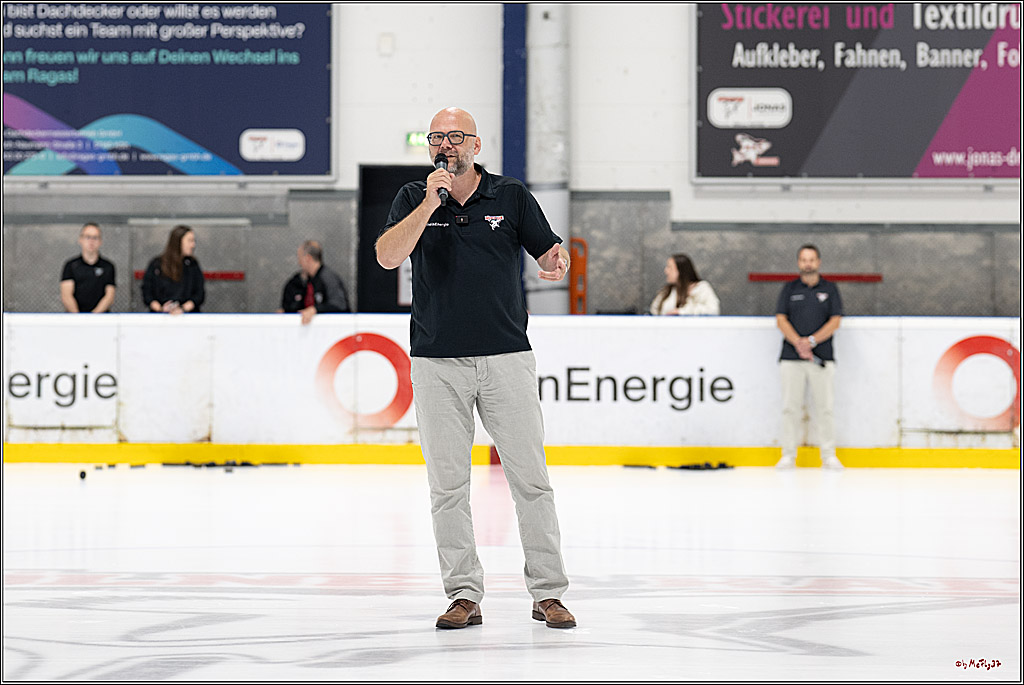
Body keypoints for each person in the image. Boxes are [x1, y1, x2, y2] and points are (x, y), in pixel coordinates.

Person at [376, 107, 575, 631]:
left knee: (530, 479)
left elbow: (549, 251)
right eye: (437, 136)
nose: (446, 143)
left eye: (456, 136)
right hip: (437, 361)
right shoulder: (411, 197)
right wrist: (427, 203)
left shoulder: (509, 196)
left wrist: (556, 260)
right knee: (447, 485)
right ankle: (463, 593)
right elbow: (387, 257)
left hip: (506, 357)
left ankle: (548, 593)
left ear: (476, 144)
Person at [775, 244, 844, 469]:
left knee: (825, 407)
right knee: (790, 407)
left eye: (812, 259)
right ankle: (788, 454)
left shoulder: (830, 289)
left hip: (821, 358)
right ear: (798, 263)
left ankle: (828, 455)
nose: (808, 264)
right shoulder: (789, 289)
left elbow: (835, 321)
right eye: (804, 260)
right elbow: (781, 319)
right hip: (791, 358)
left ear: (818, 262)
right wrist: (798, 343)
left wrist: (812, 341)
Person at [278, 240, 351, 324]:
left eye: (300, 258)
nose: (299, 263)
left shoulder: (327, 278)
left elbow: (340, 305)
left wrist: (315, 309)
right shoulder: (303, 280)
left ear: (308, 258)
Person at [142, 225, 205, 315]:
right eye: (190, 241)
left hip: (188, 317)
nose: (193, 245)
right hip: (160, 318)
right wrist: (161, 308)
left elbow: (199, 295)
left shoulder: (193, 265)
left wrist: (183, 308)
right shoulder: (156, 265)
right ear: (178, 242)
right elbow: (147, 293)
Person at [60, 222, 116, 313]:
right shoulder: (71, 265)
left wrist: (93, 317)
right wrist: (79, 318)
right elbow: (66, 295)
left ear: (100, 242)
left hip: (100, 319)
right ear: (80, 239)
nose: (91, 241)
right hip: (74, 319)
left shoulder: (108, 267)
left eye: (95, 238)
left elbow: (109, 296)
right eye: (87, 237)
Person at [649, 253, 720, 315]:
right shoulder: (667, 291)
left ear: (681, 271)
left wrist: (681, 312)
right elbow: (654, 310)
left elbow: (713, 310)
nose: (666, 271)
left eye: (670, 268)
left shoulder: (701, 288)